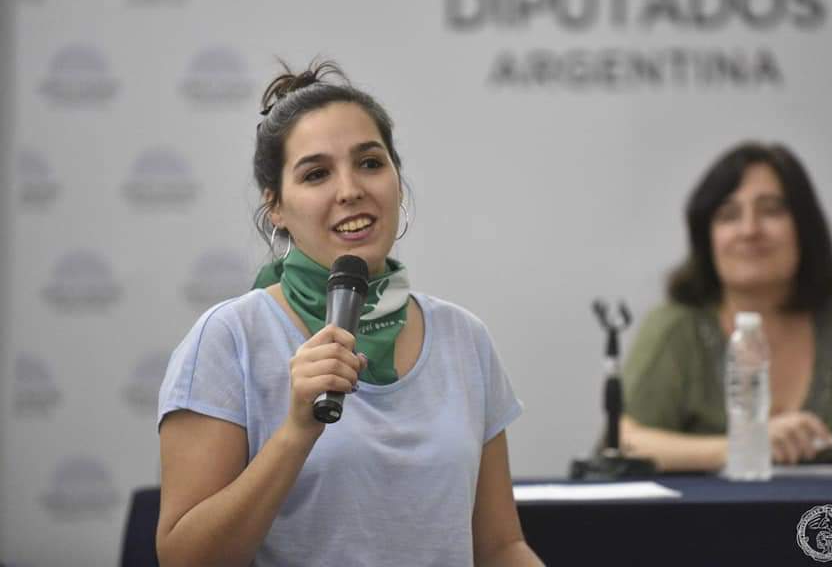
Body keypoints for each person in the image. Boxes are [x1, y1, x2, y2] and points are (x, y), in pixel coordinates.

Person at [156, 60, 543, 566]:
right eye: (316, 173)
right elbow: (185, 560)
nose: (350, 189)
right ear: (276, 207)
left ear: (397, 180)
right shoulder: (229, 339)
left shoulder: (463, 337)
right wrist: (296, 431)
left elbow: (499, 547)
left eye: (370, 163)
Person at [620, 142, 832, 472]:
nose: (750, 230)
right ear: (706, 239)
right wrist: (743, 446)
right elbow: (624, 443)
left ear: (804, 227)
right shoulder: (677, 327)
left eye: (771, 210)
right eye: (728, 215)